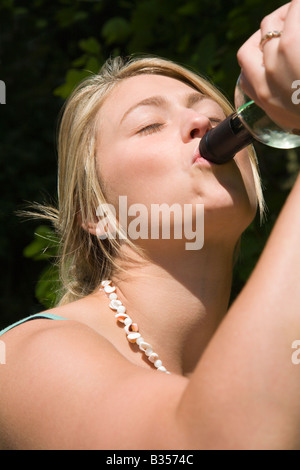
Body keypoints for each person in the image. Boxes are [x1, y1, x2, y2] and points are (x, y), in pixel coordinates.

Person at [0, 2, 300, 450]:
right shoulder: (26, 358)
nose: (202, 121)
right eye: (149, 125)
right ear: (97, 214)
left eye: (214, 116)